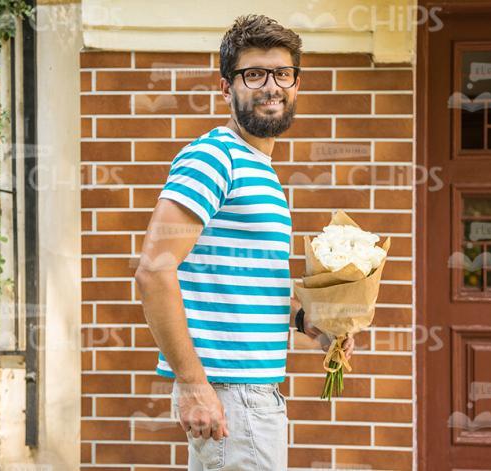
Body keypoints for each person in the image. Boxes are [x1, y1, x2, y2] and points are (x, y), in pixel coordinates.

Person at [135, 14, 355, 470]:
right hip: (231, 397)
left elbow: (238, 280)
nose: (271, 86)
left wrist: (308, 322)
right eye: (254, 74)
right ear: (226, 88)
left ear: (296, 84)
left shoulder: (260, 171)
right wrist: (195, 386)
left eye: (283, 74)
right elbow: (154, 270)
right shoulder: (215, 156)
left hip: (252, 394)